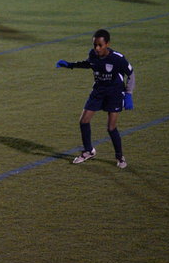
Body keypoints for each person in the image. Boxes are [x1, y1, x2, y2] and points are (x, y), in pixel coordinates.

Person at [56, 29, 135, 169]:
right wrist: (70, 65)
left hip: (114, 94)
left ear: (107, 44)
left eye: (100, 45)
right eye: (95, 45)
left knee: (111, 128)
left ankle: (119, 157)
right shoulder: (93, 54)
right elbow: (89, 64)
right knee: (83, 121)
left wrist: (128, 94)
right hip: (98, 91)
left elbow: (131, 74)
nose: (97, 48)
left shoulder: (117, 58)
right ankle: (88, 151)